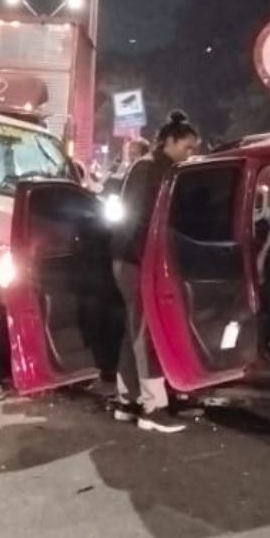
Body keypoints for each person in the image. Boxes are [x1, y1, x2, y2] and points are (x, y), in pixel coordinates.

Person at [109, 109, 200, 432]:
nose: (190, 155)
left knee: (133, 330)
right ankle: (153, 407)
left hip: (129, 258)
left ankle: (127, 400)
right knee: (145, 331)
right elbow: (146, 220)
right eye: (187, 148)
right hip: (136, 260)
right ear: (171, 142)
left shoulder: (151, 168)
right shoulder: (153, 170)